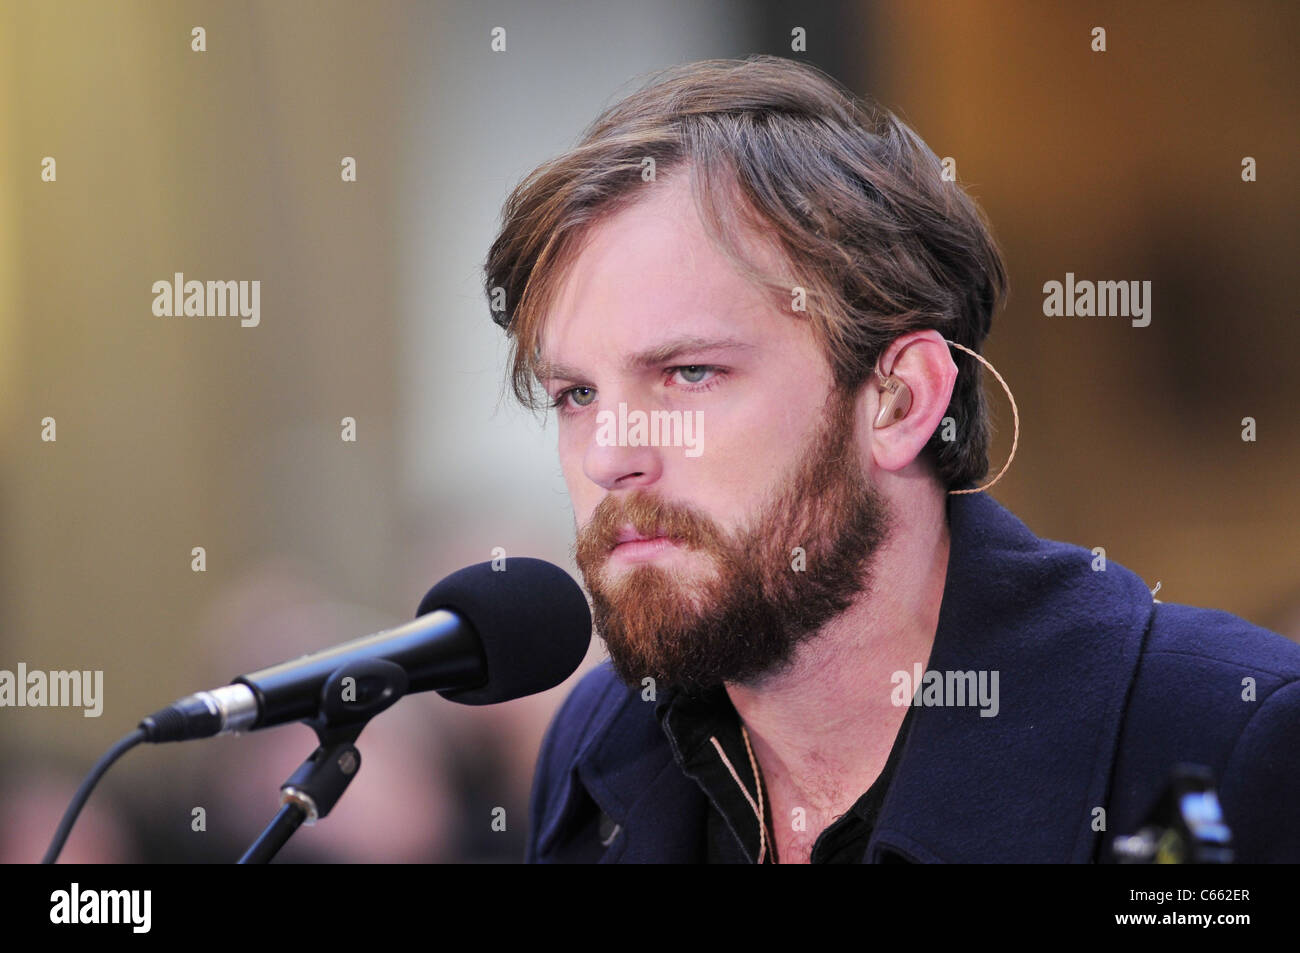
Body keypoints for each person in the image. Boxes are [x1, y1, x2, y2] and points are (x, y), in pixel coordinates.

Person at [482, 55, 1300, 863]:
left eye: (690, 373)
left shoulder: (1221, 742)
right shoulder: (606, 743)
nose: (610, 455)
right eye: (575, 395)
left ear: (901, 400)